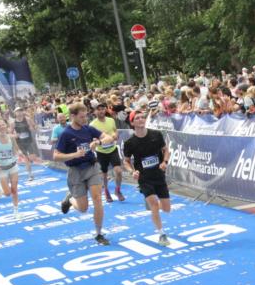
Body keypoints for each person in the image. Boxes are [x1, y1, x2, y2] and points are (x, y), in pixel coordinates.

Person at [53, 102, 117, 246]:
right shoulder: (66, 134)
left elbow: (109, 138)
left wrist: (98, 142)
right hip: (75, 171)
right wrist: (74, 155)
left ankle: (99, 233)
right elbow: (56, 156)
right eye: (81, 117)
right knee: (83, 208)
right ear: (73, 116)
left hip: (92, 167)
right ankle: (70, 200)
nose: (84, 119)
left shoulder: (88, 129)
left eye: (86, 116)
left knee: (97, 199)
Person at [122, 110, 171, 246]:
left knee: (166, 208)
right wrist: (132, 172)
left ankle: (150, 205)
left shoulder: (156, 134)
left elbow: (166, 150)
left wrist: (164, 162)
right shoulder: (130, 143)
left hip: (159, 175)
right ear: (132, 123)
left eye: (143, 117)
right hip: (144, 178)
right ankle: (162, 234)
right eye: (137, 118)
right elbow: (126, 161)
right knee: (154, 204)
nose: (141, 119)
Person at [90, 103, 125, 202]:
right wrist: (97, 141)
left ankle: (117, 190)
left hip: (112, 149)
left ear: (105, 110)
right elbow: (92, 139)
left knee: (119, 171)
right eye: (99, 110)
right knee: (104, 174)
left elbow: (115, 131)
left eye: (103, 109)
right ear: (95, 111)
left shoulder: (111, 120)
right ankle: (106, 191)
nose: (101, 111)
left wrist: (115, 135)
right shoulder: (92, 124)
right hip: (101, 152)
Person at [12, 107, 39, 181]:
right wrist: (15, 135)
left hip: (29, 141)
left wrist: (32, 128)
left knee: (32, 157)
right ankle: (30, 175)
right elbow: (10, 134)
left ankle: (29, 161)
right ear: (15, 113)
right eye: (18, 111)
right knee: (26, 159)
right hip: (20, 142)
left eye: (21, 111)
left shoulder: (27, 119)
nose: (19, 113)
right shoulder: (13, 122)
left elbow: (35, 126)